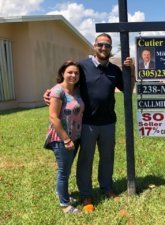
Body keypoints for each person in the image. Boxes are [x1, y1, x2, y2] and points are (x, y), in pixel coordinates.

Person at [44, 33, 135, 212]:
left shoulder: (115, 71)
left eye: (107, 46)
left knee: (107, 158)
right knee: (86, 160)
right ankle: (86, 194)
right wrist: (50, 93)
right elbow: (67, 83)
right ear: (94, 46)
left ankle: (107, 188)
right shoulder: (82, 67)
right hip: (86, 124)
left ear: (110, 48)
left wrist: (131, 71)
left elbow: (128, 90)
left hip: (109, 122)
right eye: (100, 44)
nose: (103, 48)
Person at [44, 60, 84, 214]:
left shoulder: (76, 91)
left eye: (76, 73)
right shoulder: (57, 91)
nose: (73, 75)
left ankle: (62, 194)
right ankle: (64, 204)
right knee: (64, 171)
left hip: (75, 136)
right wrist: (66, 139)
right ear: (62, 73)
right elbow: (53, 117)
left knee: (65, 169)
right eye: (70, 72)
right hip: (62, 138)